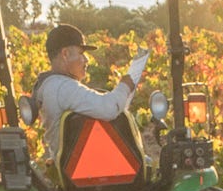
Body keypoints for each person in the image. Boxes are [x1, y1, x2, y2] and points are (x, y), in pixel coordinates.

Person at [32, 24, 148, 169]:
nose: (86, 60)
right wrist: (125, 86)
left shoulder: (50, 85)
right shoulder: (63, 87)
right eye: (81, 53)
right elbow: (108, 108)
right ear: (65, 54)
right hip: (85, 169)